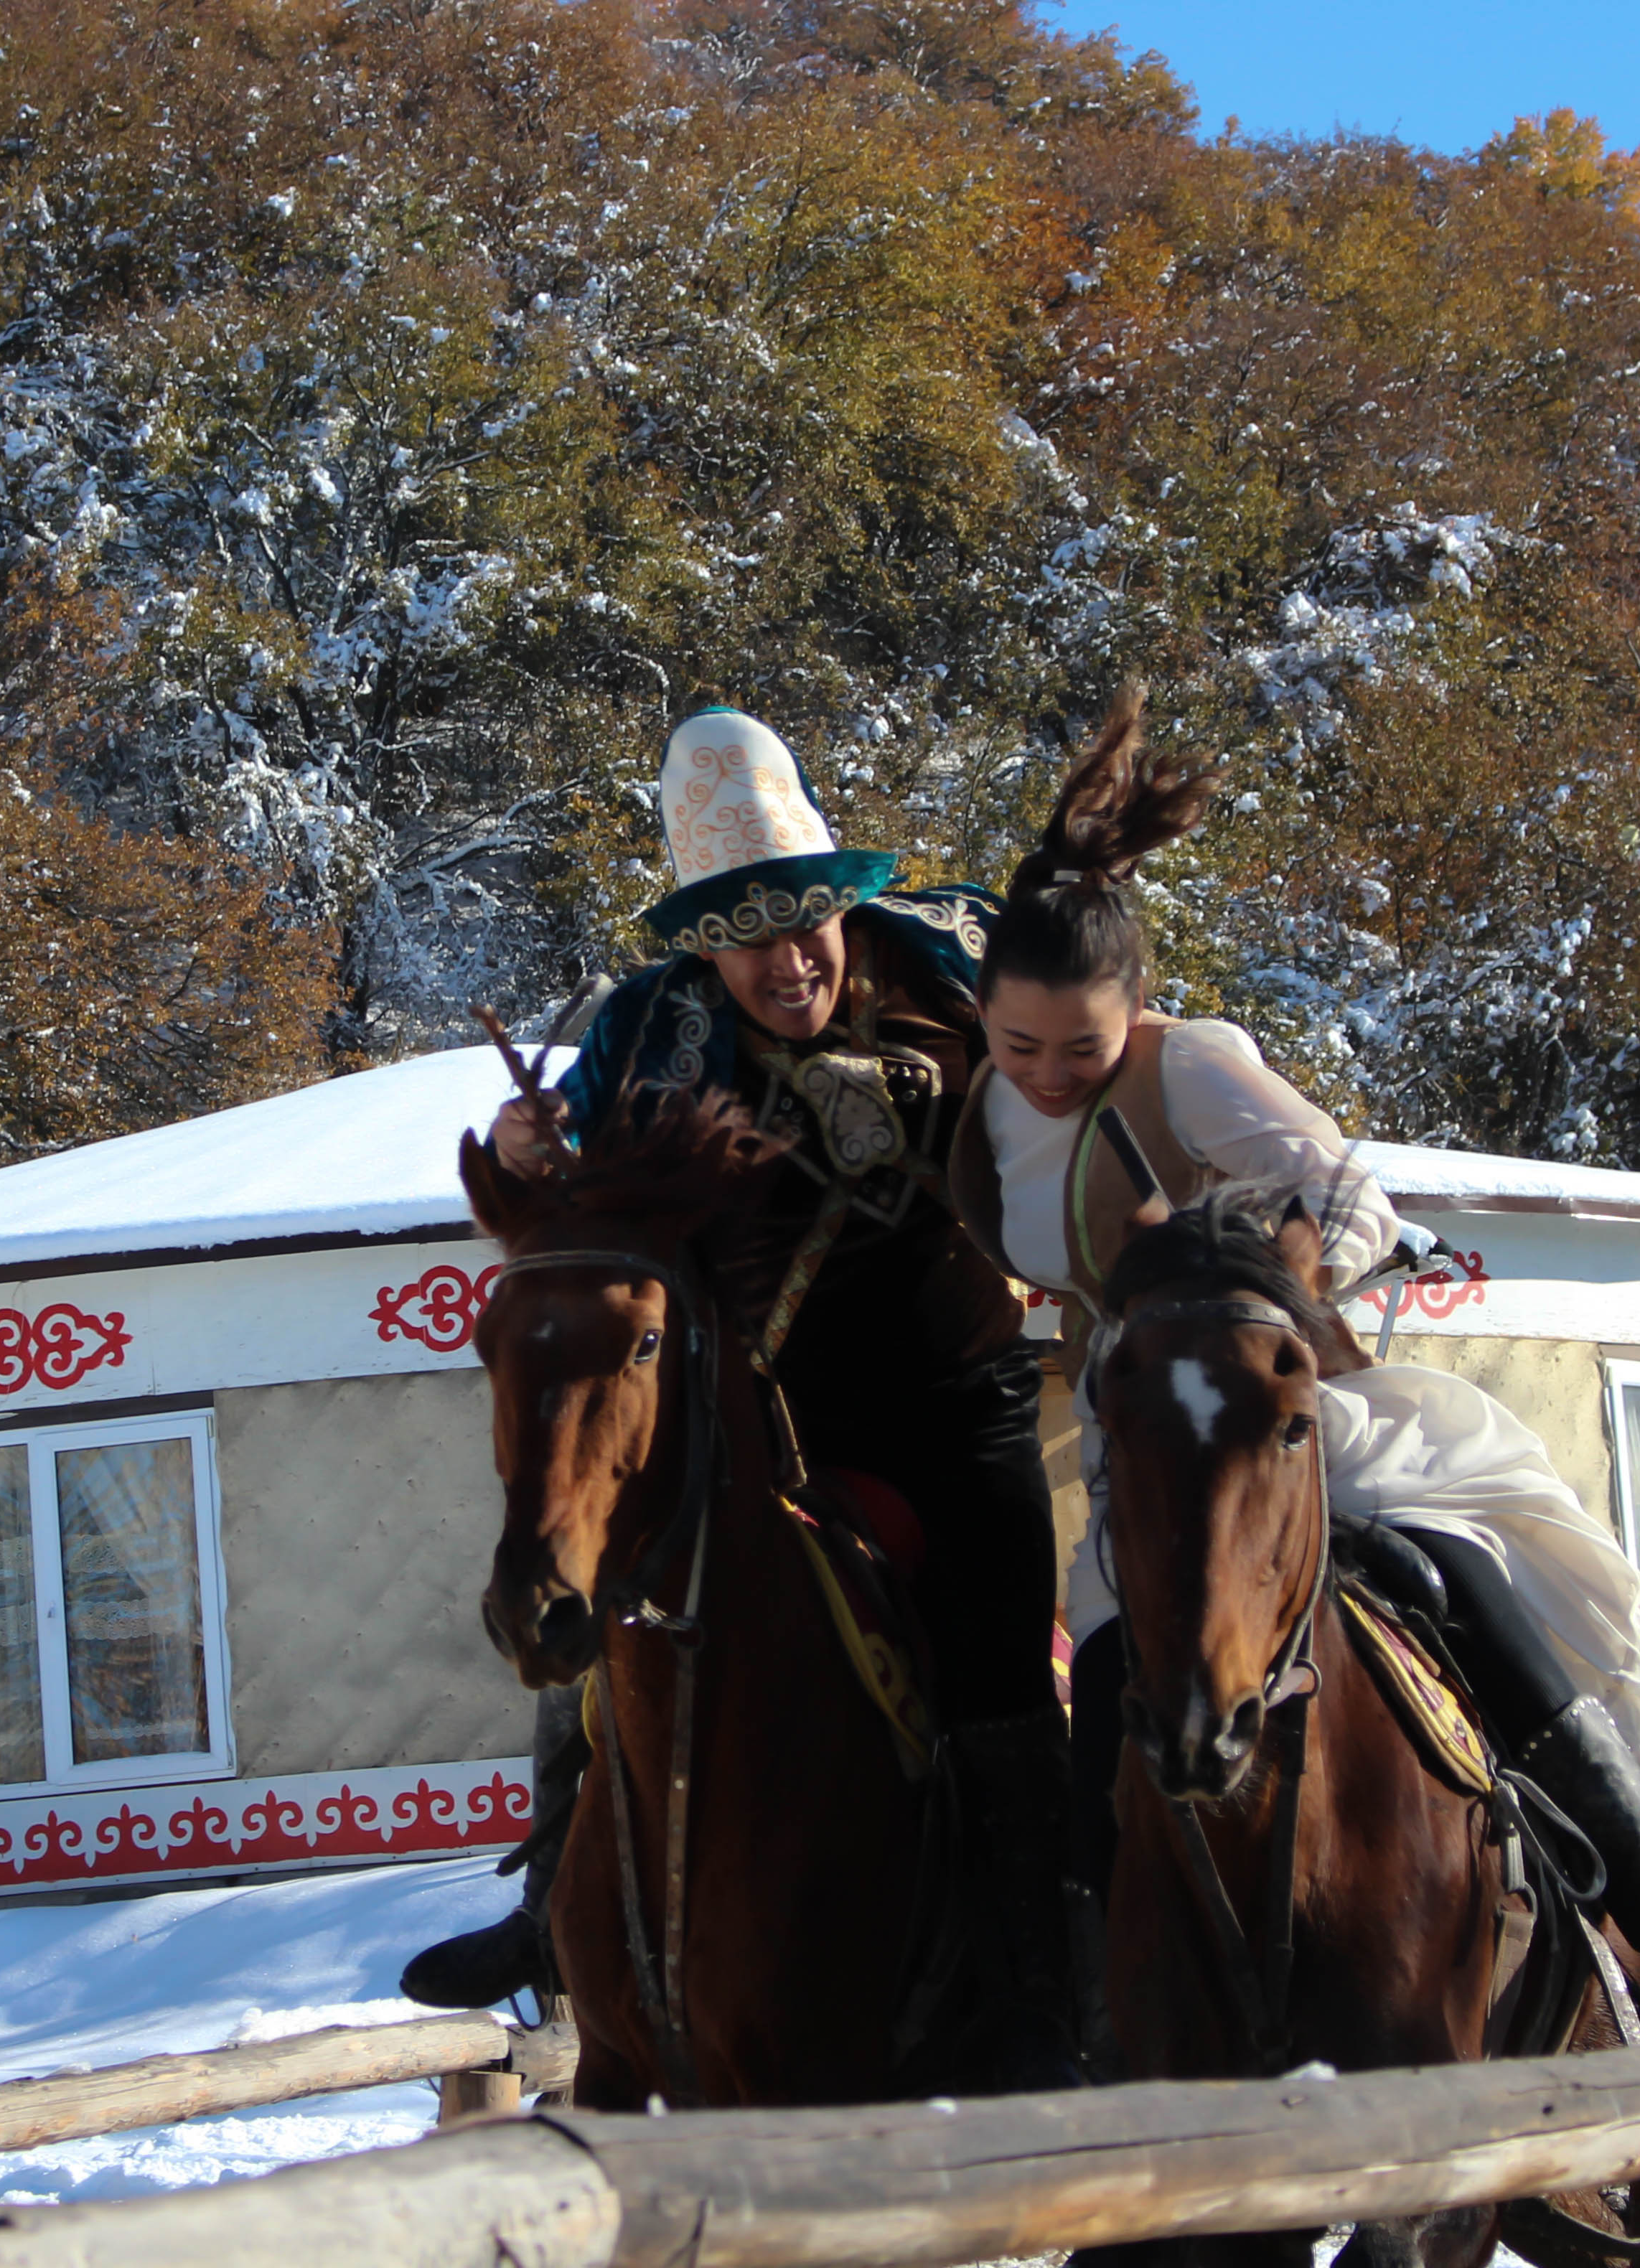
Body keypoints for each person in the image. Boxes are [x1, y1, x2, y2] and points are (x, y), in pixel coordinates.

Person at [946, 688, 1640, 2036]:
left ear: (1137, 1010)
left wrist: (1280, 1269)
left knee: (1471, 1596)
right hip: (1142, 1456)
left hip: (1298, 1414)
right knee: (1101, 1697)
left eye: (1081, 1047)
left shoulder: (1193, 1064)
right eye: (1018, 1041)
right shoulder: (982, 1113)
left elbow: (1351, 1193)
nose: (1047, 1072)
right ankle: (1102, 2010)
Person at [403, 707, 1078, 2086]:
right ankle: (548, 1907)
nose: (791, 959)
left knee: (1000, 1658)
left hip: (950, 1394)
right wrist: (538, 1152)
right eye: (750, 933)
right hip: (765, 1408)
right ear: (700, 944)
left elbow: (1094, 1041)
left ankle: (1043, 1970)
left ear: (846, 904)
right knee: (599, 1603)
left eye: (811, 919)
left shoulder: (952, 961)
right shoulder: (645, 1026)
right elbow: (580, 1210)